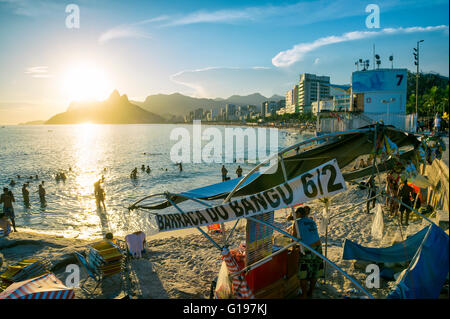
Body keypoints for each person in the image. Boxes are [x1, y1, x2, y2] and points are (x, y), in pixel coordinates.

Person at [290, 206, 324, 299]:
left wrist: (293, 249)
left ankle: (304, 295)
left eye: (296, 213)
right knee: (315, 271)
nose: (295, 215)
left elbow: (294, 238)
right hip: (318, 247)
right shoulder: (311, 221)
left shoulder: (297, 223)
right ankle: (310, 292)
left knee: (303, 272)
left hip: (308, 249)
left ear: (299, 214)